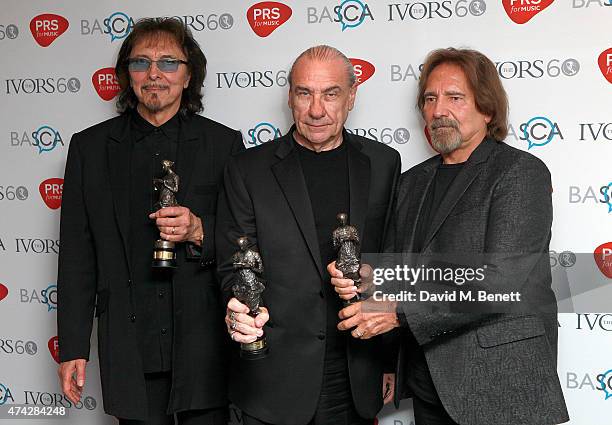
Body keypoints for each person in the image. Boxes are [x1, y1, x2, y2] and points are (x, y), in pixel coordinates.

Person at [330, 48, 569, 425]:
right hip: (430, 383)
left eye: (454, 97)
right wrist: (387, 351)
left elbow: (497, 281)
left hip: (501, 385)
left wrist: (400, 314)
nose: (438, 109)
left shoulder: (520, 173)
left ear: (487, 109)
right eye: (430, 98)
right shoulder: (412, 183)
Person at [57, 17, 244, 424]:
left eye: (168, 63)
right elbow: (76, 255)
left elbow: (242, 238)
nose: (154, 74)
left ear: (189, 73)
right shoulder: (89, 148)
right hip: (128, 344)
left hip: (203, 346)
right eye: (141, 63)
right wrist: (72, 347)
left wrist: (199, 230)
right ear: (127, 75)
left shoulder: (224, 144)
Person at [216, 45, 401, 425]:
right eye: (305, 93)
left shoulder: (384, 163)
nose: (317, 109)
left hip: (356, 374)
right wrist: (238, 308)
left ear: (351, 96)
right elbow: (236, 264)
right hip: (274, 378)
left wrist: (390, 359)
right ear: (289, 97)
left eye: (330, 93)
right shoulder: (248, 169)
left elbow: (391, 260)